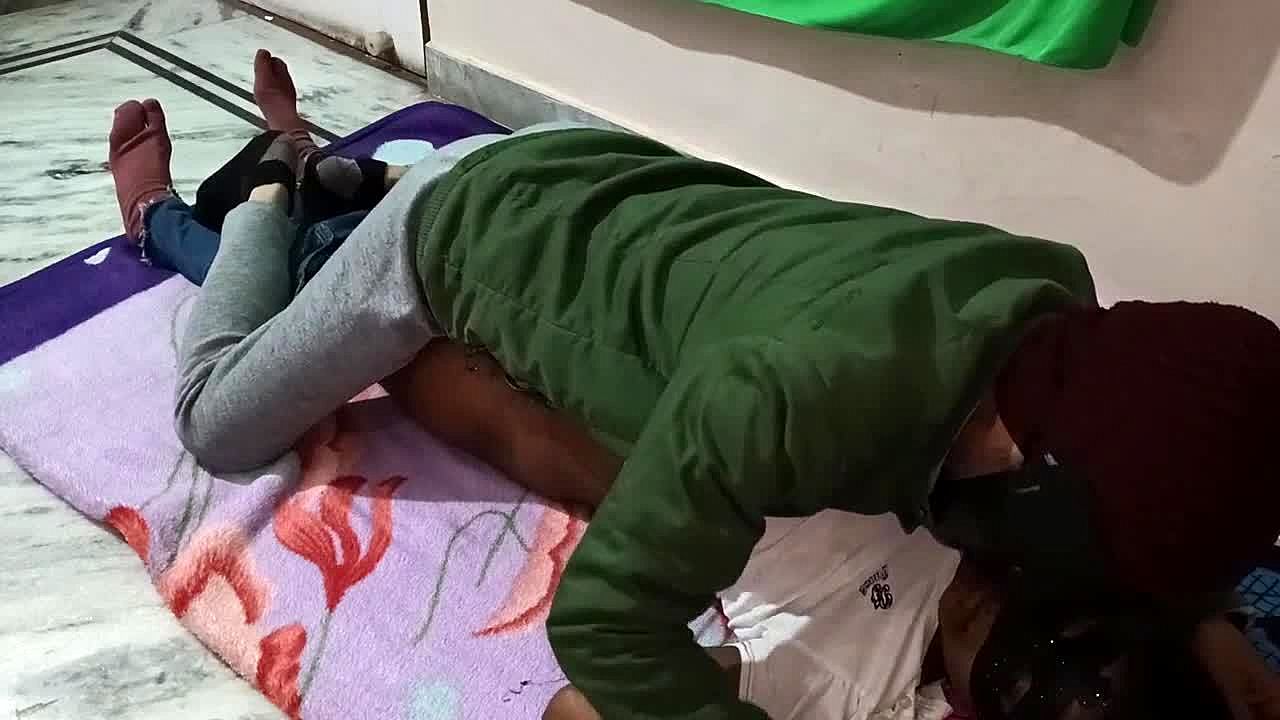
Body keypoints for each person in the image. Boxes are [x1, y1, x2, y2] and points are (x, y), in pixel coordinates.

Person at [108, 48, 1280, 719]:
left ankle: (335, 173)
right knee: (225, 419)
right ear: (1037, 480)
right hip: (459, 237)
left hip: (603, 184)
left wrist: (1201, 622)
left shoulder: (1050, 296)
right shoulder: (789, 405)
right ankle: (249, 193)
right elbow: (602, 626)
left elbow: (1155, 474)